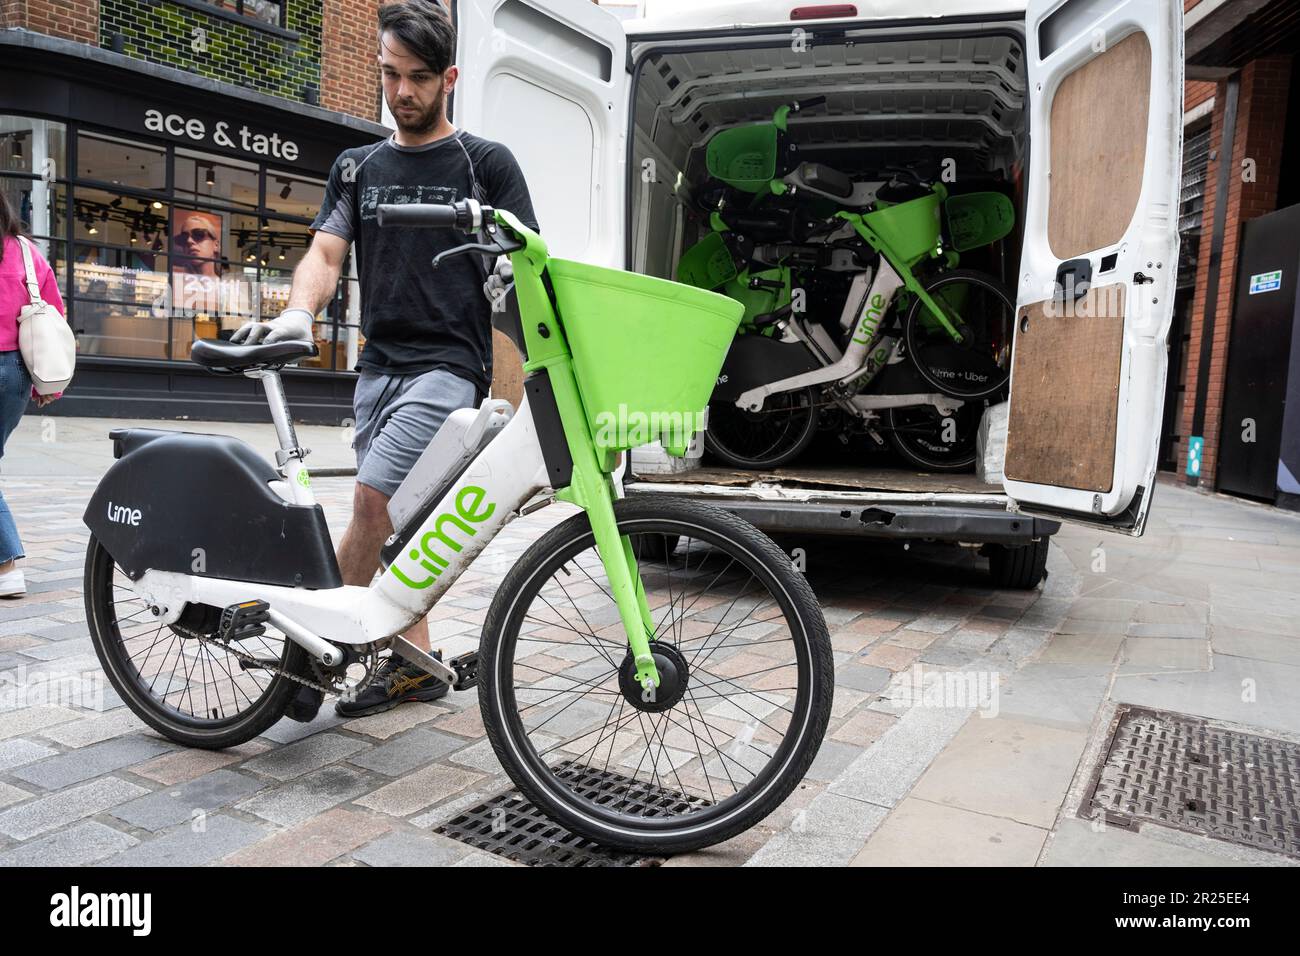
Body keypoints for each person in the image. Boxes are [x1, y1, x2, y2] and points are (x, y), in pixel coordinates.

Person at [232, 0, 537, 719]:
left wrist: (514, 384)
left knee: (370, 506)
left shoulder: (485, 164)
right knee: (396, 523)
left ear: (450, 78)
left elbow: (526, 269)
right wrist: (301, 313)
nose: (402, 92)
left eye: (419, 78)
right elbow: (327, 251)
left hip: (447, 368)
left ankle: (307, 659)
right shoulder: (357, 165)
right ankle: (414, 670)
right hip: (378, 368)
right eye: (390, 74)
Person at [0, 190, 65, 598]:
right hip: (14, 372)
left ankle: (6, 565)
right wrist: (46, 384)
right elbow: (54, 314)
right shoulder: (27, 252)